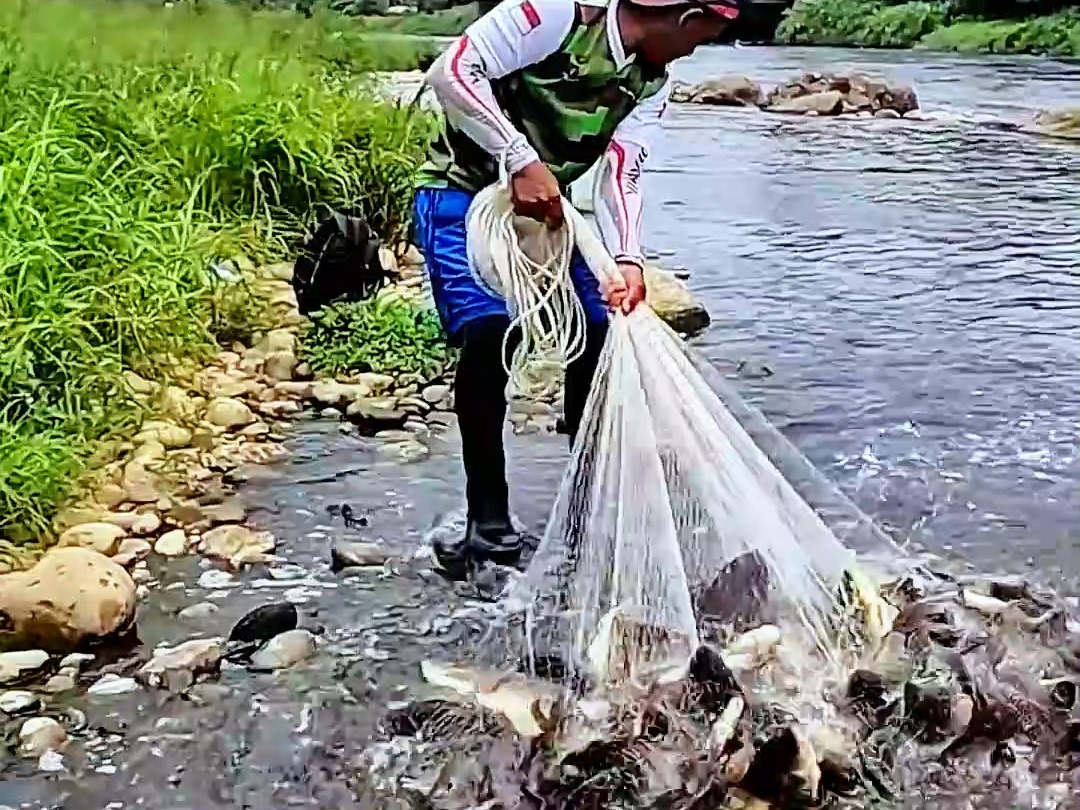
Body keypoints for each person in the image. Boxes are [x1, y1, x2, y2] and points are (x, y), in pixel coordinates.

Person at [412, 0, 744, 576]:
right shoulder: (558, 14)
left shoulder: (651, 82)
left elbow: (623, 171)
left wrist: (627, 259)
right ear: (685, 17)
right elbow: (453, 71)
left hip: (548, 211)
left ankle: (583, 509)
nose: (696, 50)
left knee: (597, 327)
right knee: (490, 335)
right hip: (462, 194)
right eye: (704, 36)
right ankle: (487, 522)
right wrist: (518, 158)